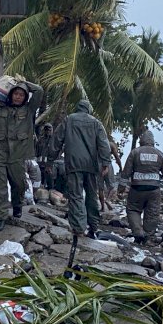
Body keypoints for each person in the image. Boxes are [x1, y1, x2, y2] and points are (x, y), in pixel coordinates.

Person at [0, 76, 44, 232]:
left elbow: (39, 90)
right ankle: (1, 216)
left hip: (18, 153)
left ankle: (17, 204)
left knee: (18, 184)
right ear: (10, 95)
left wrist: (23, 83)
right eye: (15, 93)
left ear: (25, 97)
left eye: (21, 94)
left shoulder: (29, 110)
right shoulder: (0, 108)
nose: (18, 97)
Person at [51, 100, 111, 239]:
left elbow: (57, 140)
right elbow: (104, 144)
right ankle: (94, 227)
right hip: (91, 165)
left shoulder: (69, 119)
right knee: (92, 195)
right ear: (89, 109)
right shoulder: (96, 123)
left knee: (76, 195)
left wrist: (50, 159)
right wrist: (105, 163)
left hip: (73, 164)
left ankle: (79, 228)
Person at [118, 129, 163, 244]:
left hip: (136, 188)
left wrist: (121, 188)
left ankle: (138, 232)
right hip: (154, 190)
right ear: (153, 142)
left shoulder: (135, 152)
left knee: (133, 209)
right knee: (152, 213)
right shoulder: (160, 154)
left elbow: (126, 172)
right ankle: (148, 237)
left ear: (141, 141)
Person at [99, 135, 123, 212]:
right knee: (112, 186)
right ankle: (108, 200)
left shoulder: (97, 144)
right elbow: (117, 158)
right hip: (108, 166)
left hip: (98, 166)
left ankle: (102, 207)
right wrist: (120, 167)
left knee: (100, 189)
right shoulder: (111, 145)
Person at [35, 123, 55, 189]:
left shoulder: (55, 140)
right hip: (40, 165)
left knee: (50, 184)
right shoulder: (41, 140)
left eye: (50, 130)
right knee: (40, 183)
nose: (48, 131)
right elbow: (37, 151)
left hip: (50, 166)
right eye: (46, 129)